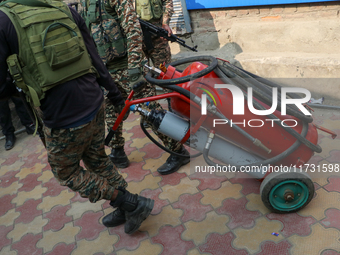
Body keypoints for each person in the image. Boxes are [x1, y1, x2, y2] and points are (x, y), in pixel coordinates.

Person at [0, 0, 153, 234]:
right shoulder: (61, 8)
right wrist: (113, 94)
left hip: (62, 115)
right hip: (94, 99)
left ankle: (130, 203)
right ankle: (124, 206)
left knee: (66, 172)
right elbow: (94, 56)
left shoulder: (4, 19)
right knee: (97, 159)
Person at [82, 0, 190, 175]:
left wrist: (134, 67)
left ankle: (178, 151)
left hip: (127, 66)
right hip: (106, 69)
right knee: (110, 110)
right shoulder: (84, 3)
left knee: (149, 110)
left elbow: (132, 30)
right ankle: (117, 152)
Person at [0, 73, 35, 150]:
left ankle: (29, 124)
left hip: (9, 71)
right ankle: (9, 134)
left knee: (19, 98)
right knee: (2, 108)